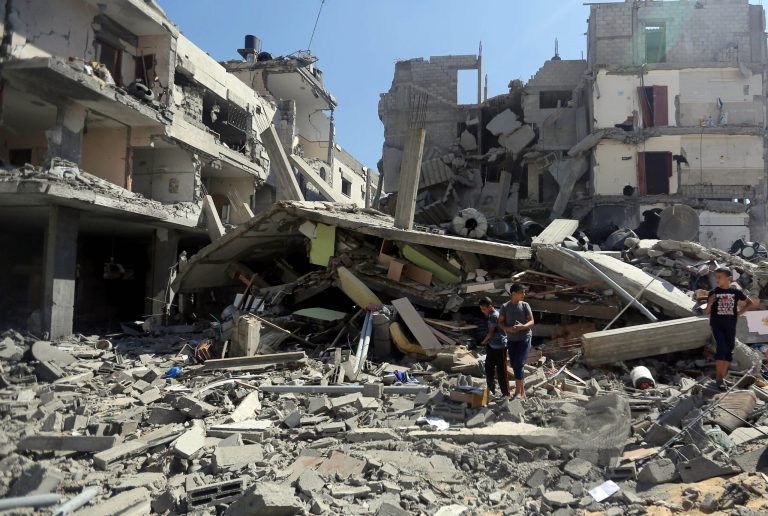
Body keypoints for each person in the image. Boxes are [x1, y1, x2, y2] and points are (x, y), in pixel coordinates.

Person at [706, 267, 757, 390]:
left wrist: (740, 313)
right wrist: (710, 303)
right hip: (717, 325)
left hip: (730, 325)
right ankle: (719, 379)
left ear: (728, 279)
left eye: (720, 277)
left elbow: (750, 303)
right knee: (721, 348)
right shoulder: (713, 292)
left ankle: (723, 378)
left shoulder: (735, 293)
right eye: (716, 277)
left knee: (729, 351)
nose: (717, 280)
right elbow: (707, 312)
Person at [500, 284, 534, 399]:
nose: (524, 294)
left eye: (524, 292)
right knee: (515, 364)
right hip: (511, 340)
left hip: (524, 338)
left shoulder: (525, 305)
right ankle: (522, 391)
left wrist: (522, 327)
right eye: (522, 292)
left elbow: (532, 322)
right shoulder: (505, 307)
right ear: (514, 293)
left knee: (519, 363)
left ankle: (517, 393)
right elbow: (500, 323)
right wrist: (507, 328)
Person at [479, 297, 509, 399]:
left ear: (490, 306)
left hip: (499, 346)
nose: (483, 311)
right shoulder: (496, 313)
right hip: (493, 345)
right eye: (481, 309)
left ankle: (505, 394)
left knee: (501, 370)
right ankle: (491, 392)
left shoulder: (493, 316)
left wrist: (483, 341)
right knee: (490, 368)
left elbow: (491, 333)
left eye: (484, 309)